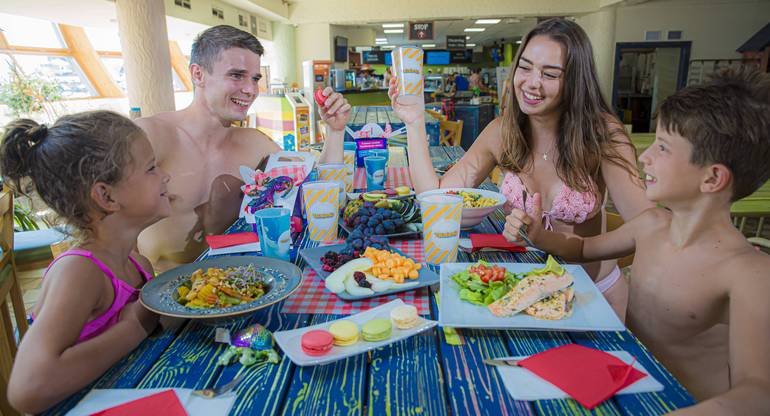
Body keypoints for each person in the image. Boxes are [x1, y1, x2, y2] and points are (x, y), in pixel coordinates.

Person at [502, 67, 770, 412]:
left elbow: (759, 391)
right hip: (623, 388)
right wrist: (539, 235)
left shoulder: (749, 273)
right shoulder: (652, 225)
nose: (645, 157)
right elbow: (582, 248)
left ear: (713, 177)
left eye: (662, 147)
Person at [389, 18, 652, 318]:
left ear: (575, 81)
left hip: (591, 297)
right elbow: (436, 198)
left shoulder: (602, 135)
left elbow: (648, 226)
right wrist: (414, 120)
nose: (531, 82)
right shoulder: (502, 132)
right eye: (524, 67)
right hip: (524, 293)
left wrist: (575, 248)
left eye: (550, 74)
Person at [135, 25, 350, 272]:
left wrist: (335, 131)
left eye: (255, 78)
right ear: (198, 74)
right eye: (237, 75)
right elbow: (102, 225)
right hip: (165, 297)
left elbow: (319, 191)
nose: (250, 90)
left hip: (244, 287)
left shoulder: (255, 143)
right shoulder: (151, 136)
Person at [2, 111, 167, 413]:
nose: (165, 176)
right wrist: (136, 325)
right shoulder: (79, 273)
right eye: (152, 168)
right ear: (106, 195)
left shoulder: (136, 263)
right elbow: (27, 389)